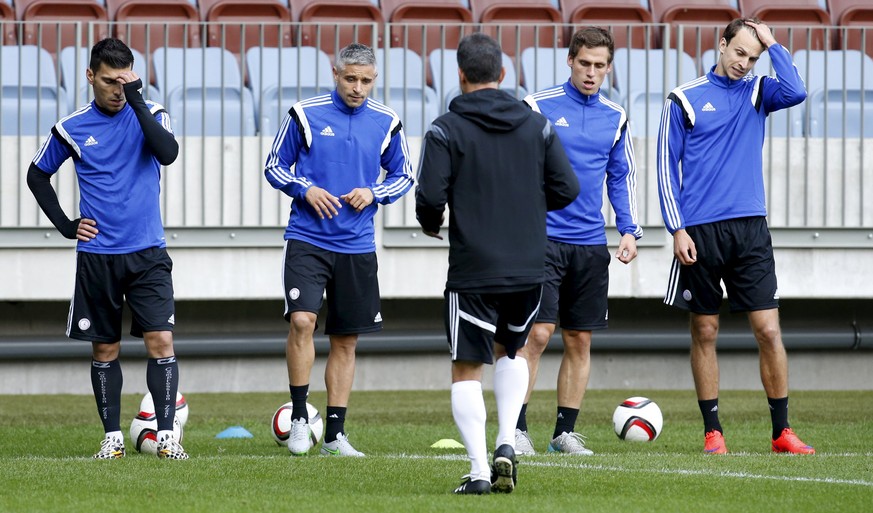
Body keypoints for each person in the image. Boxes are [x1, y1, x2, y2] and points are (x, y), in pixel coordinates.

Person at [416, 33, 579, 494]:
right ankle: (506, 442)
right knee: (513, 350)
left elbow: (429, 197)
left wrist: (433, 222)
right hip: (530, 264)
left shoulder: (445, 127)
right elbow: (567, 189)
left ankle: (479, 470)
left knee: (467, 365)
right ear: (503, 75)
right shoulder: (537, 125)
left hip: (474, 267)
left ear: (461, 75)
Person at [656, 18, 814, 455]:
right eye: (739, 53)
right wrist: (677, 229)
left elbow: (797, 90)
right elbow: (665, 169)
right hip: (700, 232)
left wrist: (772, 43)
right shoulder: (683, 99)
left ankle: (781, 431)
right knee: (705, 330)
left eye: (753, 57)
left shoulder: (760, 91)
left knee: (768, 329)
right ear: (721, 45)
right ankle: (713, 433)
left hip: (750, 229)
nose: (745, 63)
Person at [27, 38, 187, 459]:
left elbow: (168, 153)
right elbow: (37, 175)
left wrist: (136, 101)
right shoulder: (72, 126)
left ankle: (168, 438)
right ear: (90, 77)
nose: (118, 89)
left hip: (148, 253)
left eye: (125, 79)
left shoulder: (151, 112)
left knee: (161, 341)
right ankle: (112, 438)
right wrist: (66, 225)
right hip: (98, 256)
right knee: (105, 348)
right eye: (109, 81)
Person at [264, 43, 414, 458]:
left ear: (375, 79)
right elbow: (274, 165)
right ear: (335, 73)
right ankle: (298, 419)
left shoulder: (387, 121)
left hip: (357, 246)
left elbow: (405, 175)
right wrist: (305, 188)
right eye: (351, 78)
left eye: (366, 81)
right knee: (302, 322)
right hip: (308, 240)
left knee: (346, 341)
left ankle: (334, 435)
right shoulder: (304, 113)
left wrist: (374, 192)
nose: (358, 88)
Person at [515, 26, 643, 456]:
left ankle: (563, 433)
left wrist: (628, 229)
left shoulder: (616, 116)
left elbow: (620, 177)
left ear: (609, 68)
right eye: (585, 63)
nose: (591, 73)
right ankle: (516, 429)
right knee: (536, 335)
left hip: (590, 245)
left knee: (579, 339)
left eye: (600, 66)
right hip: (542, 240)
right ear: (570, 60)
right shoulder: (538, 107)